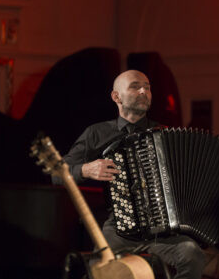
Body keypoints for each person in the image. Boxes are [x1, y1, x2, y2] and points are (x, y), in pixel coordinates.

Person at [64, 70, 206, 279]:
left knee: (192, 254)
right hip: (119, 228)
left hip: (162, 232)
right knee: (99, 271)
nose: (143, 91)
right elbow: (59, 171)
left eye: (147, 87)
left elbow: (195, 178)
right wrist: (86, 169)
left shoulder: (165, 134)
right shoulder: (97, 133)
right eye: (135, 86)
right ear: (116, 97)